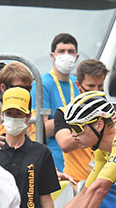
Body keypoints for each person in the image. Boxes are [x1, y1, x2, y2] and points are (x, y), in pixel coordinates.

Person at [54, 59, 116, 183]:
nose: (96, 92)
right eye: (90, 87)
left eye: (100, 87)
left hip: (106, 183)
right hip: (77, 183)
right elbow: (64, 144)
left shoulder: (110, 110)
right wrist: (90, 131)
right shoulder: (65, 112)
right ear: (78, 85)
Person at [31, 33, 80, 171]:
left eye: (70, 52)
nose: (66, 55)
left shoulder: (76, 83)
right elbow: (39, 131)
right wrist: (73, 116)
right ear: (53, 56)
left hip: (78, 161)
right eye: (61, 51)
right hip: (53, 162)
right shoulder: (42, 84)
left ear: (77, 57)